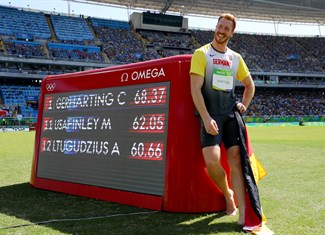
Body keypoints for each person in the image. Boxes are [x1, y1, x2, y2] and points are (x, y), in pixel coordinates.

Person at [190, 13, 255, 226]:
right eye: (220, 26)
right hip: (210, 116)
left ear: (231, 33)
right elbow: (195, 89)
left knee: (236, 160)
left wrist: (244, 105)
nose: (222, 31)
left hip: (230, 116)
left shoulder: (235, 58)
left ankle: (243, 213)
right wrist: (206, 118)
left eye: (227, 28)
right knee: (212, 162)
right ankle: (227, 193)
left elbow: (249, 85)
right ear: (215, 27)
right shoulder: (202, 54)